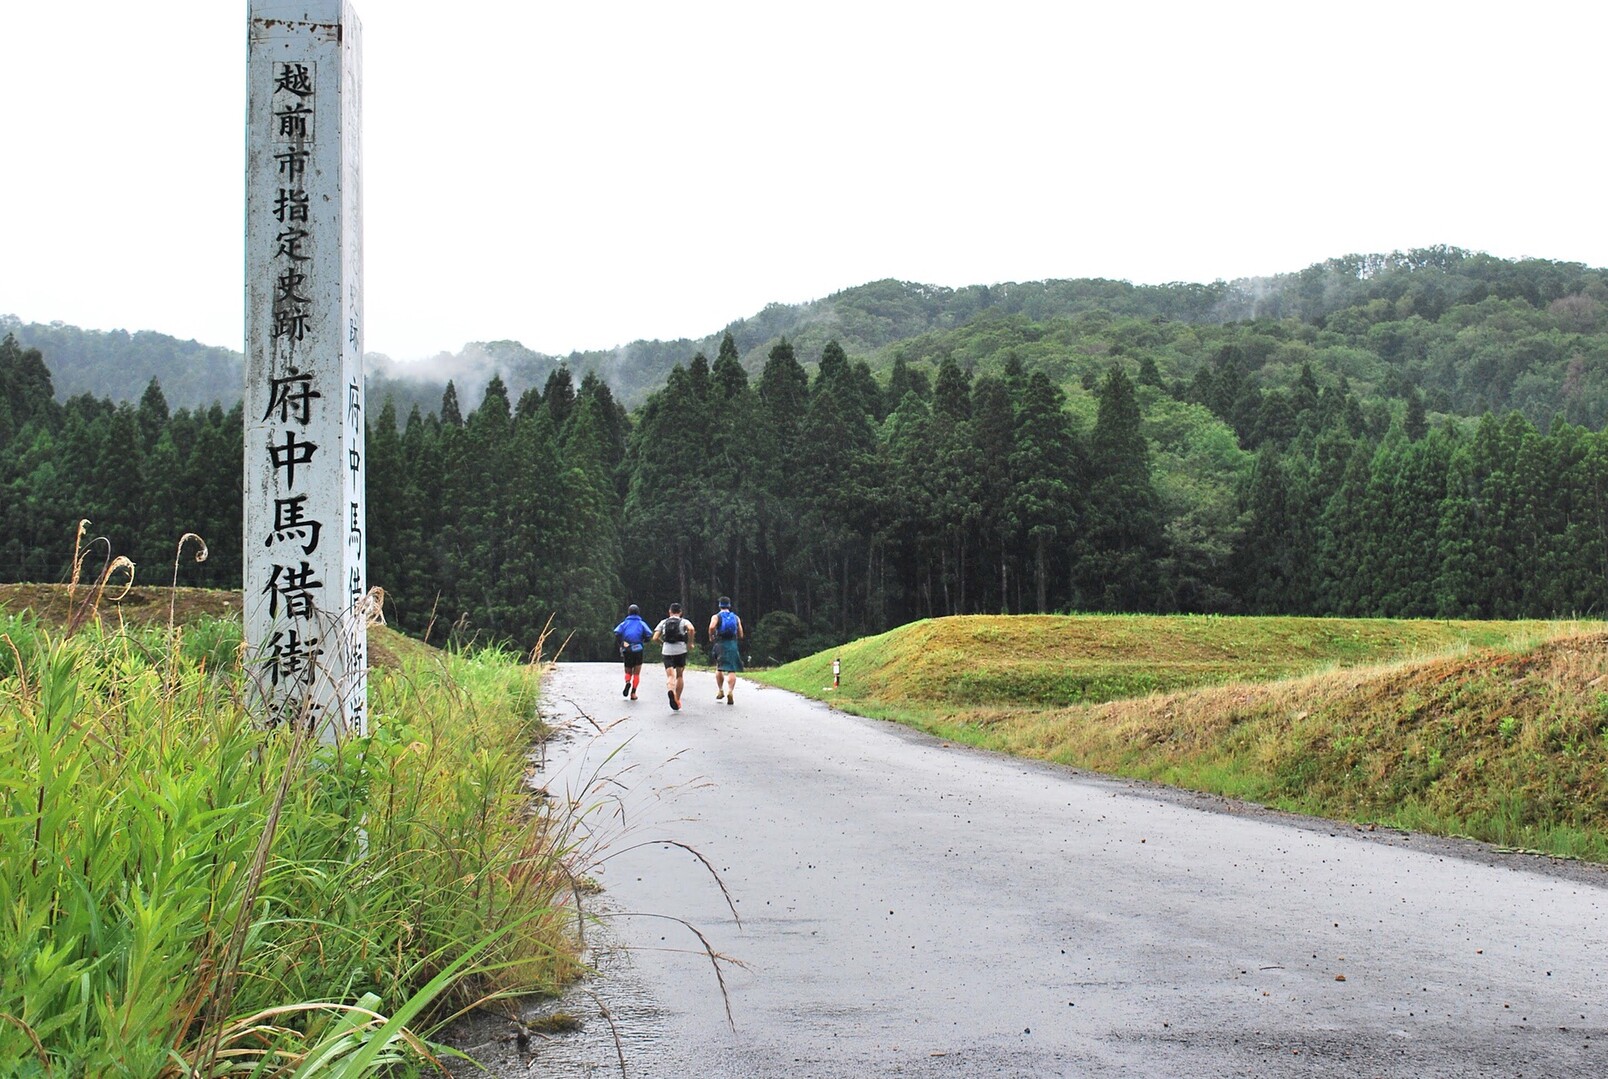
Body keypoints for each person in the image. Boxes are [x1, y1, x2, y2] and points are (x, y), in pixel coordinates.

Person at [651, 601, 696, 710]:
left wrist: (662, 643)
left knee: (670, 676)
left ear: (669, 612)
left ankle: (670, 690)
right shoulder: (684, 621)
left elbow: (655, 638)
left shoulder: (664, 622)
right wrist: (690, 642)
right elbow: (691, 629)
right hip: (680, 649)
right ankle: (677, 698)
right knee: (679, 675)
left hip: (667, 650)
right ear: (680, 612)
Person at [707, 596, 744, 705]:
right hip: (732, 643)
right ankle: (730, 691)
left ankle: (721, 690)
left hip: (720, 643)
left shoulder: (716, 616)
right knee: (731, 669)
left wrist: (711, 636)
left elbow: (711, 627)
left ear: (720, 605)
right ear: (729, 605)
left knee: (719, 667)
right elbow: (741, 633)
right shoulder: (736, 617)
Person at [612, 603, 653, 700]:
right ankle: (633, 693)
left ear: (628, 613)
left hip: (627, 648)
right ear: (638, 613)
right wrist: (643, 640)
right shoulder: (641, 623)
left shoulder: (624, 623)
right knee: (637, 673)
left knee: (628, 670)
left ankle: (627, 682)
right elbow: (649, 634)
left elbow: (617, 633)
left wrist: (622, 643)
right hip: (638, 648)